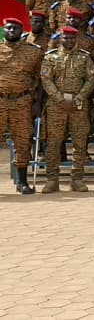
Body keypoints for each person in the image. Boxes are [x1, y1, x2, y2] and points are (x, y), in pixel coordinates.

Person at [39, 26, 94, 193]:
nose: (69, 41)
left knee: (79, 142)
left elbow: (90, 79)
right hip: (57, 104)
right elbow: (46, 80)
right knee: (53, 143)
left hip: (78, 104)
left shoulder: (84, 58)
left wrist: (79, 98)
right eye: (66, 38)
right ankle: (52, 179)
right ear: (60, 39)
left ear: (76, 40)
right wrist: (59, 98)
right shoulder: (50, 57)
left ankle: (77, 179)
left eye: (72, 38)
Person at [0, 17, 45, 194]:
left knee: (22, 141)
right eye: (9, 28)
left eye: (16, 28)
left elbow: (40, 79)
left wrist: (37, 104)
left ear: (22, 31)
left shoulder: (33, 52)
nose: (12, 31)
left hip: (22, 102)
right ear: (4, 29)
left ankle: (22, 181)